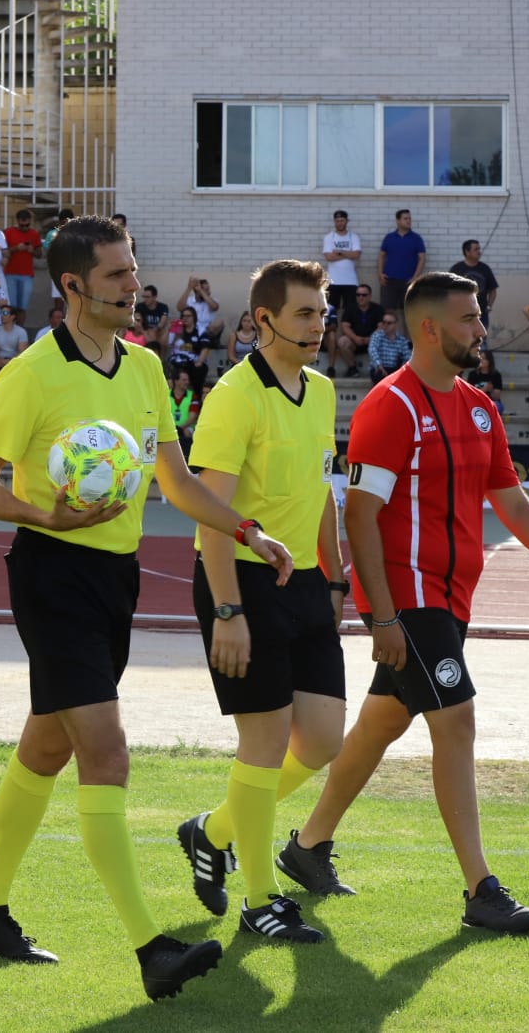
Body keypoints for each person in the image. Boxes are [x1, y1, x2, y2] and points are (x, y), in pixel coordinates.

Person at [0, 215, 294, 1001]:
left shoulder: (143, 369)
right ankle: (150, 948)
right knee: (106, 753)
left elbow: (175, 483)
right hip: (52, 574)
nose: (132, 285)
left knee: (48, 748)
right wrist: (50, 516)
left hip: (118, 578)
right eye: (114, 275)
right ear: (71, 286)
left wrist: (248, 529)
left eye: (132, 270)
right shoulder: (29, 375)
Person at [282, 271, 529, 935]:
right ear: (430, 328)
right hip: (411, 601)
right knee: (455, 723)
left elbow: (512, 504)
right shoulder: (388, 407)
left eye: (480, 318)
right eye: (470, 319)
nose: (481, 330)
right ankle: (481, 891)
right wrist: (383, 614)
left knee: (381, 724)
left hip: (451, 601)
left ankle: (304, 846)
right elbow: (361, 517)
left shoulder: (480, 408)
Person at [176, 259, 345, 945]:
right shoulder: (234, 396)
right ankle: (259, 900)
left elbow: (321, 490)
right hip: (241, 582)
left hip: (304, 584)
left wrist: (335, 581)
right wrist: (227, 612)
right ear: (264, 320)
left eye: (323, 313)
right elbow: (211, 511)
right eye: (305, 314)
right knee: (266, 745)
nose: (319, 326)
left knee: (324, 740)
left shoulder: (326, 391)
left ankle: (209, 832)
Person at [377, 209, 425, 313]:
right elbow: (381, 255)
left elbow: (422, 258)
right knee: (387, 313)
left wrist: (415, 277)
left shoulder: (416, 238)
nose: (408, 221)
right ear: (398, 221)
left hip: (408, 281)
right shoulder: (389, 237)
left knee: (409, 313)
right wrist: (380, 273)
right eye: (405, 218)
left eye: (409, 218)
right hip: (389, 281)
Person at [330, 285, 381, 378]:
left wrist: (370, 339)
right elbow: (345, 326)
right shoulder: (350, 308)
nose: (360, 297)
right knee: (342, 341)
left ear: (370, 296)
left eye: (364, 295)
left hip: (373, 342)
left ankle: (379, 370)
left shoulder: (378, 309)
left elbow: (381, 327)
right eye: (358, 295)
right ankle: (352, 368)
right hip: (355, 342)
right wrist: (355, 338)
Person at [2, 209, 42, 325]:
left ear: (30, 222)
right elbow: (3, 251)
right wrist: (15, 248)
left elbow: (40, 254)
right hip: (10, 274)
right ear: (17, 221)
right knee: (11, 306)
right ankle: (9, 330)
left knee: (22, 307)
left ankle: (20, 331)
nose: (24, 227)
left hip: (27, 275)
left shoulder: (34, 234)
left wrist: (32, 250)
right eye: (22, 225)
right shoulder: (8, 232)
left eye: (27, 225)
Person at [322, 210, 362, 319]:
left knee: (350, 312)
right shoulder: (329, 237)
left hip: (350, 282)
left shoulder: (353, 237)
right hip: (333, 281)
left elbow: (357, 255)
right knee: (331, 312)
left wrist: (339, 252)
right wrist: (349, 254)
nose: (340, 223)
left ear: (347, 221)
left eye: (342, 220)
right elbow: (329, 257)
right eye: (337, 221)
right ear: (334, 222)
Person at [450, 241, 498, 332]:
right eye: (476, 249)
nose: (479, 251)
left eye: (479, 249)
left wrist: (489, 306)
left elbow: (493, 290)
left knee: (481, 341)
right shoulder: (456, 269)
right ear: (467, 252)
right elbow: (449, 291)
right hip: (461, 313)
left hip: (481, 313)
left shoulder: (485, 268)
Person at [366, 311, 411, 383]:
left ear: (395, 324)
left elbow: (407, 357)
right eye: (384, 322)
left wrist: (402, 371)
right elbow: (372, 349)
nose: (385, 325)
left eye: (389, 323)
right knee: (379, 376)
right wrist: (379, 365)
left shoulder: (402, 340)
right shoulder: (377, 335)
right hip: (379, 368)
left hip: (395, 369)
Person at [177, 276, 224, 342]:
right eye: (206, 290)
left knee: (220, 322)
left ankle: (207, 341)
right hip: (191, 329)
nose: (209, 292)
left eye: (208, 289)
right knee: (177, 323)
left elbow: (214, 307)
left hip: (208, 331)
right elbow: (180, 308)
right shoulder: (189, 300)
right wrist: (189, 288)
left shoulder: (212, 300)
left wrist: (201, 291)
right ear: (197, 291)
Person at [134, 285, 171, 357]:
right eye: (144, 297)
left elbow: (162, 324)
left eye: (147, 297)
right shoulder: (139, 306)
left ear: (155, 297)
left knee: (161, 334)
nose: (145, 299)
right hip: (144, 330)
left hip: (158, 331)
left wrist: (154, 330)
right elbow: (138, 319)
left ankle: (161, 360)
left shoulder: (163, 307)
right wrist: (144, 330)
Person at [169, 367, 197, 458]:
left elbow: (193, 417)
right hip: (170, 428)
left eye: (187, 380)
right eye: (184, 380)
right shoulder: (165, 395)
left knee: (187, 432)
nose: (187, 382)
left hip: (186, 428)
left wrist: (180, 428)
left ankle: (188, 457)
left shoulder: (192, 395)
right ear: (176, 381)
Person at [466, 348, 505, 416]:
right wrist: (484, 390)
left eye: (484, 358)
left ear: (489, 361)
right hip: (476, 402)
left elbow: (496, 397)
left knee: (498, 406)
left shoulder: (496, 375)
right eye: (480, 358)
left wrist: (492, 390)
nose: (481, 360)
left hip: (490, 401)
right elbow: (469, 395)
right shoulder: (473, 374)